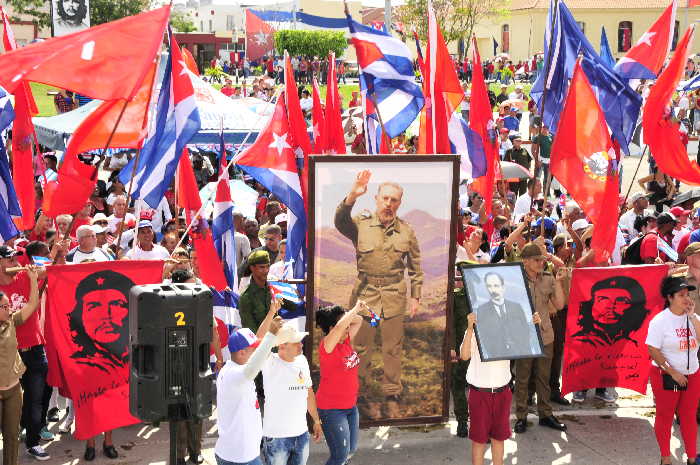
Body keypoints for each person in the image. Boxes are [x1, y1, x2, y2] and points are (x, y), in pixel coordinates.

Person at [334, 170, 423, 419]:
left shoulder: (406, 231)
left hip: (393, 299)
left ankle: (392, 392)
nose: (389, 204)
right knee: (361, 347)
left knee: (392, 348)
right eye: (385, 198)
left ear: (399, 203)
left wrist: (416, 297)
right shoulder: (360, 226)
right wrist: (352, 195)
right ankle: (357, 393)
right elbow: (340, 221)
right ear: (376, 198)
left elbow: (415, 267)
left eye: (394, 200)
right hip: (366, 299)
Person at [461, 300, 540, 465]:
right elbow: (464, 355)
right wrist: (469, 329)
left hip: (502, 392)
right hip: (479, 393)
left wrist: (532, 325)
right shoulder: (475, 333)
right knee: (479, 440)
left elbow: (525, 344)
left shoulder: (508, 334)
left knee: (499, 438)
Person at [0, 247, 52, 460]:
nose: (14, 261)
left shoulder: (25, 274)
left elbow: (52, 270)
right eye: (9, 258)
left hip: (34, 349)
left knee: (36, 398)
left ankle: (32, 442)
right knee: (13, 402)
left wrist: (56, 253)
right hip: (8, 356)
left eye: (15, 257)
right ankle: (14, 433)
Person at [512, 243, 567, 434]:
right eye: (537, 260)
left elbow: (559, 305)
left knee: (543, 377)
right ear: (525, 262)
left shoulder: (547, 278)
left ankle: (545, 414)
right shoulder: (515, 279)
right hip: (523, 336)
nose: (541, 263)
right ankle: (521, 417)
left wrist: (558, 282)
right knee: (522, 378)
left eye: (542, 260)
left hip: (545, 335)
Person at [647, 276, 700, 465]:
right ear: (669, 298)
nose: (686, 298)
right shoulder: (660, 321)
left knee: (689, 417)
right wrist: (672, 372)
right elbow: (652, 350)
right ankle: (666, 458)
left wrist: (693, 316)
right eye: (681, 295)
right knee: (665, 416)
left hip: (692, 374)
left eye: (688, 294)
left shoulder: (692, 317)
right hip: (665, 376)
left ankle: (692, 459)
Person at [214, 318, 283, 465]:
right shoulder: (235, 374)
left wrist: (271, 313)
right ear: (241, 353)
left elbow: (259, 341)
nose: (257, 352)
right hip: (239, 458)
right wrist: (271, 336)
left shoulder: (235, 368)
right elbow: (253, 367)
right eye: (254, 350)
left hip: (240, 454)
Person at [260, 319, 323, 465]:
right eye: (296, 342)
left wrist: (316, 420)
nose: (301, 344)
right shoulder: (269, 362)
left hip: (301, 435)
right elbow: (258, 342)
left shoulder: (302, 361)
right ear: (282, 346)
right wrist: (271, 314)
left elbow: (309, 394)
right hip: (277, 439)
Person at [315, 302, 366, 465]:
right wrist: (355, 309)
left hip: (350, 406)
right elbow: (339, 328)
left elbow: (357, 320)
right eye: (344, 325)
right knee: (339, 457)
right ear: (332, 328)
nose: (347, 328)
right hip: (332, 410)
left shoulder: (345, 341)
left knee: (350, 451)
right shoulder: (327, 346)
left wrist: (352, 314)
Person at [0, 266, 40, 464]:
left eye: (9, 306)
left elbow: (32, 305)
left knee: (12, 435)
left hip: (14, 390)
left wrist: (33, 279)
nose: (10, 309)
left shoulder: (12, 321)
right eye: (4, 307)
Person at [571, 276, 649, 347]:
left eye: (621, 300)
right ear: (591, 304)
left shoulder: (643, 340)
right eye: (603, 299)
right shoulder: (577, 341)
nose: (610, 307)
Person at [474, 272, 532, 359]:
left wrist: (524, 350)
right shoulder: (482, 310)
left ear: (503, 287)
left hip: (520, 355)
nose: (493, 290)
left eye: (496, 286)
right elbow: (483, 336)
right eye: (489, 286)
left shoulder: (516, 307)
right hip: (497, 357)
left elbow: (525, 330)